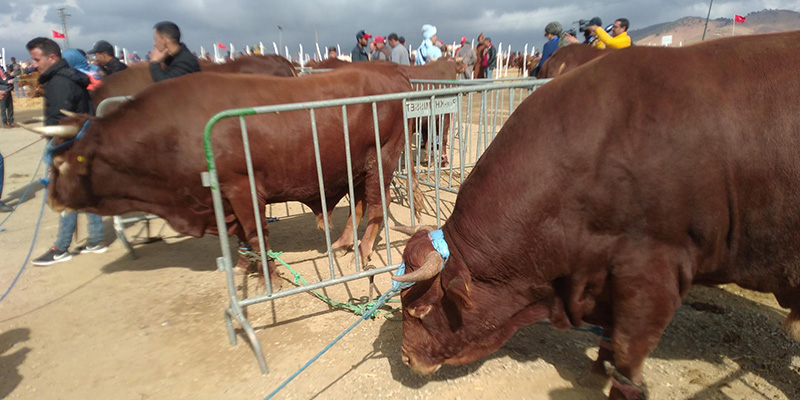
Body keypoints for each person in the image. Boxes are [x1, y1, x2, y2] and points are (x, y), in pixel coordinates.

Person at [26, 37, 106, 265]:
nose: (34, 64)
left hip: (69, 147)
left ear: (52, 57)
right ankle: (96, 240)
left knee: (66, 193)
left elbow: (63, 117)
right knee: (84, 189)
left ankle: (61, 247)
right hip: (79, 143)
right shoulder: (66, 77)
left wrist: (53, 136)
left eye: (36, 59)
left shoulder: (59, 81)